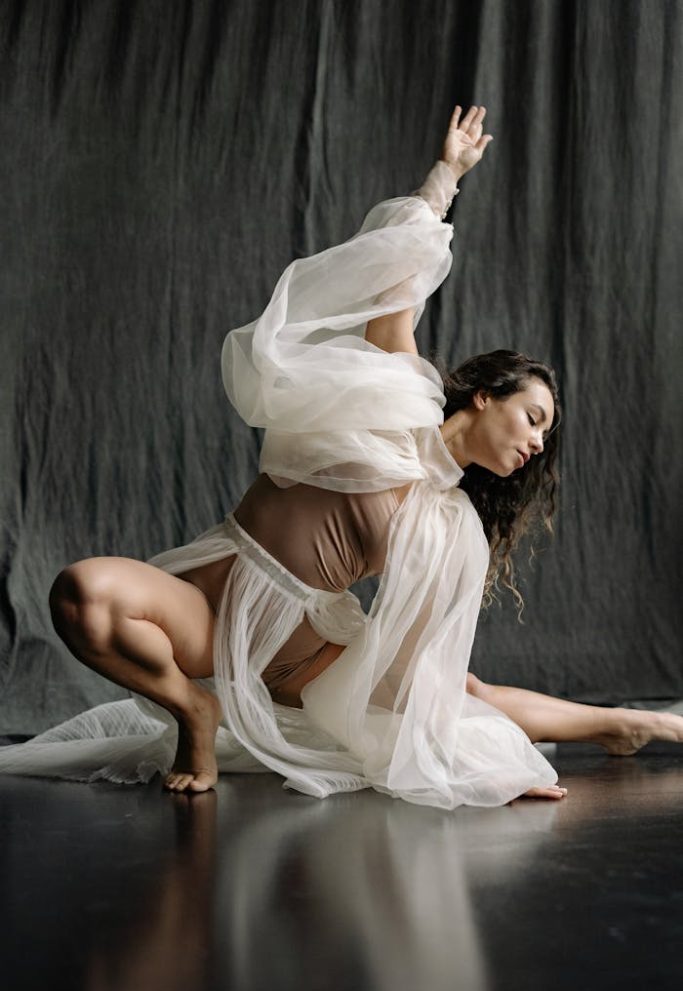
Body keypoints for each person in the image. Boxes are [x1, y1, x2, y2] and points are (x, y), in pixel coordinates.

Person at [2, 105, 681, 808]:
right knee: (86, 596)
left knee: (455, 699)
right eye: (533, 417)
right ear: (481, 395)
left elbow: (419, 658)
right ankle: (192, 710)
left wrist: (479, 770)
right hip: (212, 600)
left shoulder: (450, 524)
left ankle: (625, 722)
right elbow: (394, 281)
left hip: (301, 652)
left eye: (545, 437)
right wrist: (444, 176)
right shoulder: (399, 404)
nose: (538, 443)